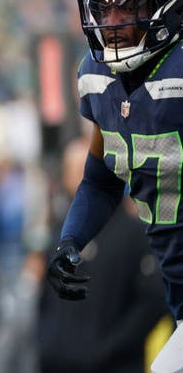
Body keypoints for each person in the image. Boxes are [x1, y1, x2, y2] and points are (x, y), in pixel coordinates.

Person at [45, 0, 183, 373]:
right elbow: (101, 178)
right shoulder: (95, 76)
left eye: (128, 6)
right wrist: (72, 239)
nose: (113, 21)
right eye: (103, 8)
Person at [38, 136, 165, 372]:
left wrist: (109, 348)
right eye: (72, 170)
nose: (78, 179)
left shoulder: (135, 234)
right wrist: (48, 343)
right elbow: (45, 298)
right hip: (59, 363)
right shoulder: (60, 234)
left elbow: (153, 302)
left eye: (84, 169)